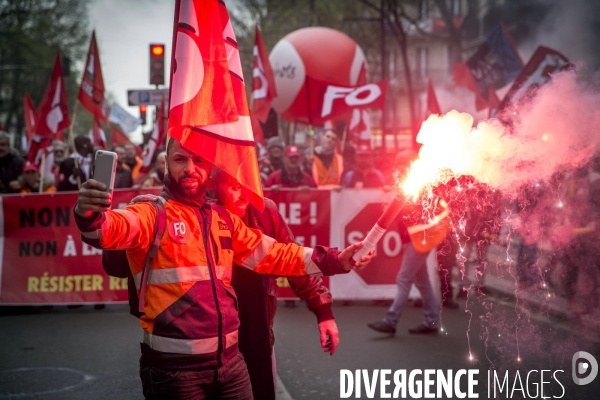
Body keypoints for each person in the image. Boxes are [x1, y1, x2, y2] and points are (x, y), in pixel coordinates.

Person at [73, 138, 373, 400]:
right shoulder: (151, 212)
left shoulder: (225, 219)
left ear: (208, 169)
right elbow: (111, 228)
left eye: (199, 160)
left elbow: (279, 254)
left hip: (231, 363)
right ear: (167, 165)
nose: (190, 167)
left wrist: (337, 260)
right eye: (180, 159)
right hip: (176, 372)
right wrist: (89, 215)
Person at [210, 168, 337, 400]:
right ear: (214, 186)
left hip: (259, 334)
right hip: (212, 342)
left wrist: (323, 311)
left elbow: (291, 258)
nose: (245, 195)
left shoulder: (265, 211)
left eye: (250, 186)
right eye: (236, 187)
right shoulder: (201, 215)